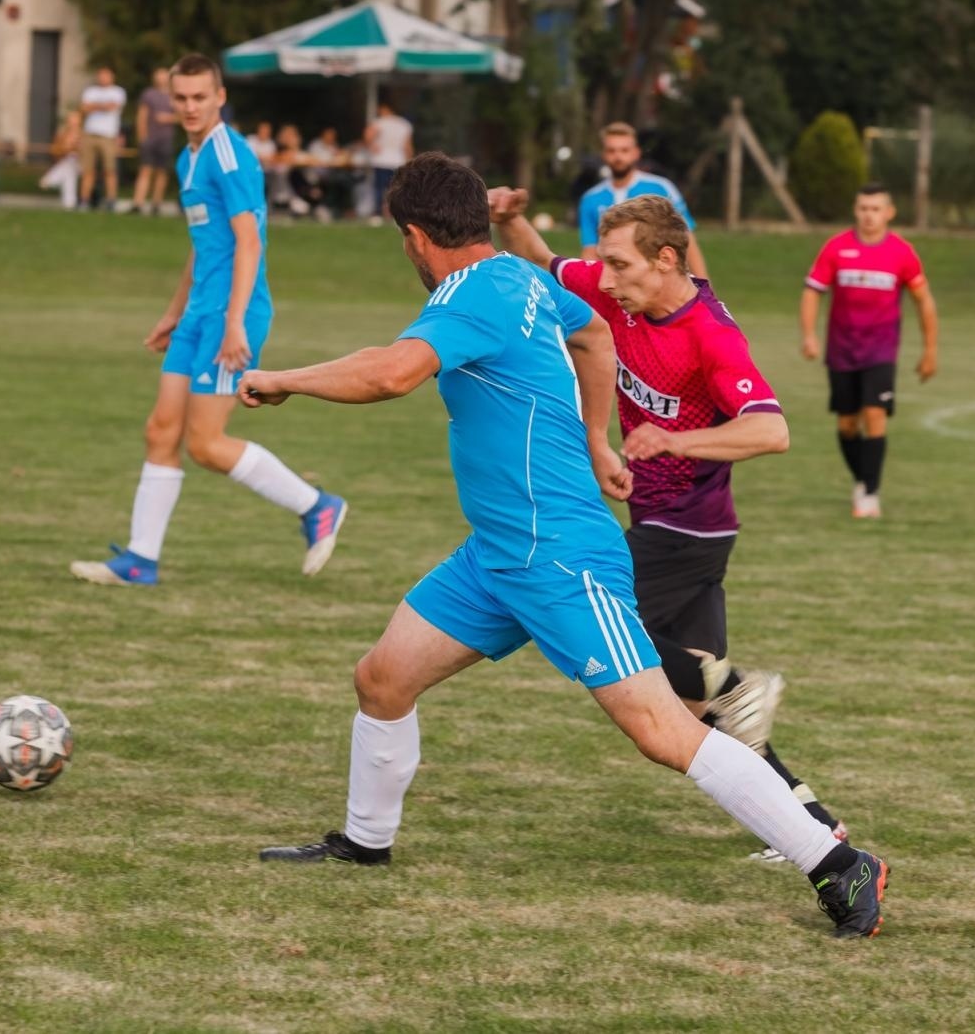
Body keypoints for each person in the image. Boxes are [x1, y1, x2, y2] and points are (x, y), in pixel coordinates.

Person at [240, 152, 889, 940]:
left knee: (664, 731)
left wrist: (284, 378)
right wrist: (596, 437)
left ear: (414, 237)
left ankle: (838, 862)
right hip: (495, 554)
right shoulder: (517, 276)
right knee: (382, 678)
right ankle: (365, 840)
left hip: (559, 554)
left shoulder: (473, 291)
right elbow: (593, 334)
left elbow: (390, 374)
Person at [488, 186, 851, 861]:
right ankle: (815, 825)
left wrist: (674, 441)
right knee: (698, 713)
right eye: (603, 263)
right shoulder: (623, 296)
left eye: (618, 265)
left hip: (688, 528)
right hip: (670, 524)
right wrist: (508, 220)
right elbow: (545, 261)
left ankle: (733, 682)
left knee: (586, 617)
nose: (604, 279)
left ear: (664, 259)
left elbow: (771, 431)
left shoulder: (710, 334)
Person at [71, 53, 347, 586]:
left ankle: (317, 506)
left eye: (201, 97)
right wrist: (174, 313)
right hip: (199, 314)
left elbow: (249, 242)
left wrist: (235, 322)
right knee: (161, 430)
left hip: (230, 316)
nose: (191, 106)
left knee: (204, 444)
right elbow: (204, 246)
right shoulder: (188, 158)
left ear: (220, 97)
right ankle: (140, 560)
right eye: (181, 98)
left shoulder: (228, 155)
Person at [800, 183, 939, 519]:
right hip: (842, 349)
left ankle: (869, 494)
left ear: (889, 213)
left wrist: (930, 350)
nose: (869, 215)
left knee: (874, 415)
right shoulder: (836, 248)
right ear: (855, 210)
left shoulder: (902, 253)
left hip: (881, 350)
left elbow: (924, 301)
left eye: (876, 209)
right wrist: (809, 335)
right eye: (863, 208)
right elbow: (813, 291)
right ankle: (863, 479)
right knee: (847, 425)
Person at [577, 123, 708, 279]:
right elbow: (590, 250)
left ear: (636, 153)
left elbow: (686, 239)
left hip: (660, 281)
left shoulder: (661, 188)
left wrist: (704, 286)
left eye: (624, 150)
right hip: (615, 284)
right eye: (612, 151)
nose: (618, 157)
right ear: (603, 155)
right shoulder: (590, 199)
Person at [77, 67, 126, 210]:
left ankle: (111, 200)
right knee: (88, 170)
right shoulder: (90, 91)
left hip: (108, 136)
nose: (103, 78)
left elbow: (112, 106)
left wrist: (94, 106)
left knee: (109, 170)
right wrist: (102, 106)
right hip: (89, 134)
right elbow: (84, 108)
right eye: (101, 75)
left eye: (106, 75)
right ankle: (84, 201)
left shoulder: (118, 92)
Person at [132, 68, 178, 216]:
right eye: (158, 75)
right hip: (150, 139)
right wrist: (142, 137)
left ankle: (156, 204)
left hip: (166, 139)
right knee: (145, 170)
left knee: (162, 172)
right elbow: (141, 116)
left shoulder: (175, 95)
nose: (161, 77)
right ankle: (137, 204)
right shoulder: (148, 94)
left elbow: (183, 116)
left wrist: (168, 118)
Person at [363, 100, 412, 220]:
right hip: (398, 161)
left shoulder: (379, 122)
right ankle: (398, 214)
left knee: (379, 189)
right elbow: (407, 146)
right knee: (397, 190)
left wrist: (371, 145)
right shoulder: (404, 124)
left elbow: (368, 135)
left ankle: (377, 214)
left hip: (381, 160)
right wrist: (409, 161)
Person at [39, 111, 83, 210]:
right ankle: (69, 204)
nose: (72, 122)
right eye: (71, 120)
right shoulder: (62, 135)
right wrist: (65, 148)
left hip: (82, 164)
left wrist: (75, 147)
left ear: (79, 121)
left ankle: (50, 179)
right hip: (67, 163)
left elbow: (86, 153)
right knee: (69, 170)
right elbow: (54, 151)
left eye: (75, 120)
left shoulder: (84, 135)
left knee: (70, 165)